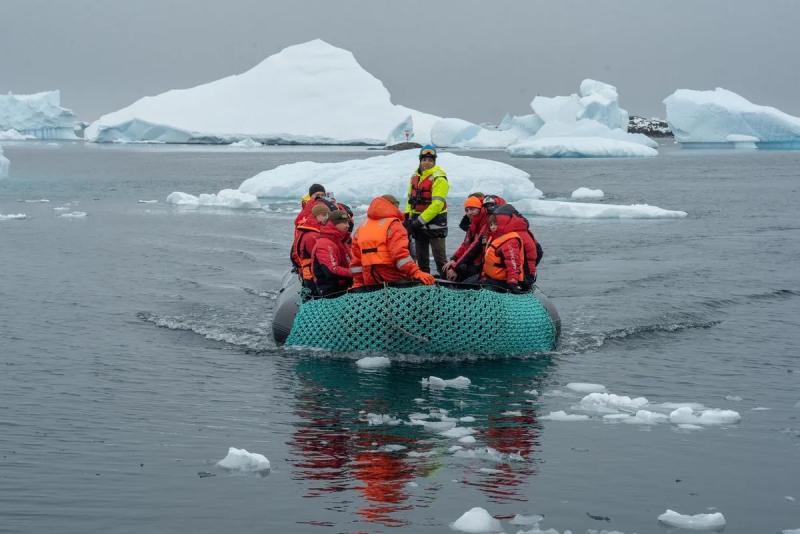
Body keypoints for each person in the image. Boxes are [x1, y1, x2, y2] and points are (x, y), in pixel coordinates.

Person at [350, 195, 436, 288]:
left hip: (370, 277)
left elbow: (356, 262)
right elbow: (401, 257)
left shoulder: (362, 227)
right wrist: (416, 272)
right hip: (392, 275)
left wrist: (358, 282)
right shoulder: (394, 225)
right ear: (392, 205)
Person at [404, 145, 449, 275]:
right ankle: (424, 282)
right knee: (421, 260)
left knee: (440, 260)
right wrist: (407, 216)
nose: (426, 163)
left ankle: (447, 284)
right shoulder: (415, 177)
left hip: (435, 225)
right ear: (420, 160)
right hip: (417, 224)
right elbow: (409, 199)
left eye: (430, 160)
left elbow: (437, 205)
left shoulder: (439, 178)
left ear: (434, 162)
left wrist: (419, 221)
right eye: (424, 160)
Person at [480, 204, 539, 292]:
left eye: (495, 224)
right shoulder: (495, 237)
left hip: (503, 280)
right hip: (493, 277)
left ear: (502, 223)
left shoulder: (509, 241)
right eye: (491, 224)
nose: (492, 227)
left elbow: (512, 263)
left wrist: (512, 282)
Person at [311, 210, 353, 297]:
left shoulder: (341, 241)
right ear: (334, 224)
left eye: (348, 223)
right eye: (345, 223)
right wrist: (356, 272)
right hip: (331, 291)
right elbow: (331, 270)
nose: (348, 226)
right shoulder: (325, 244)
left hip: (343, 287)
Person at [291, 203, 330, 293]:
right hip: (312, 276)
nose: (326, 218)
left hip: (309, 273)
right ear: (318, 215)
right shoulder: (312, 235)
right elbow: (318, 258)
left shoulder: (308, 231)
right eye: (324, 215)